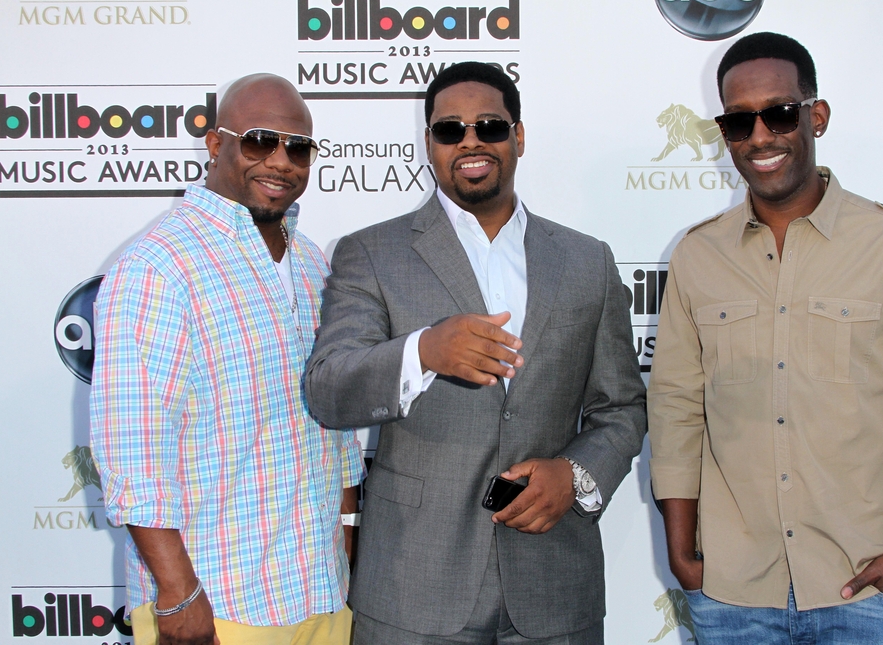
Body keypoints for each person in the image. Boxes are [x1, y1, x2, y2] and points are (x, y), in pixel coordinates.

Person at [647, 31, 883, 644]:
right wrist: (681, 552)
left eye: (779, 114)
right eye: (739, 122)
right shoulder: (697, 257)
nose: (760, 137)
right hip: (731, 591)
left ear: (815, 116)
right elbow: (674, 410)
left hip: (864, 586)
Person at [304, 61, 646, 645]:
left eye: (488, 126)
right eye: (448, 129)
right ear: (430, 144)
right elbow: (330, 390)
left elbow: (623, 407)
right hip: (414, 584)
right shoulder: (371, 253)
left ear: (518, 136)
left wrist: (576, 474)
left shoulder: (587, 260)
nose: (469, 141)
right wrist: (424, 352)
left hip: (555, 582)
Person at [89, 73, 364, 645]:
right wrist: (178, 595)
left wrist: (347, 543)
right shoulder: (158, 266)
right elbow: (134, 450)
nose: (281, 161)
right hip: (217, 606)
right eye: (261, 140)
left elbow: (335, 432)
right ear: (217, 145)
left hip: (319, 592)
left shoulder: (313, 263)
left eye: (298, 147)